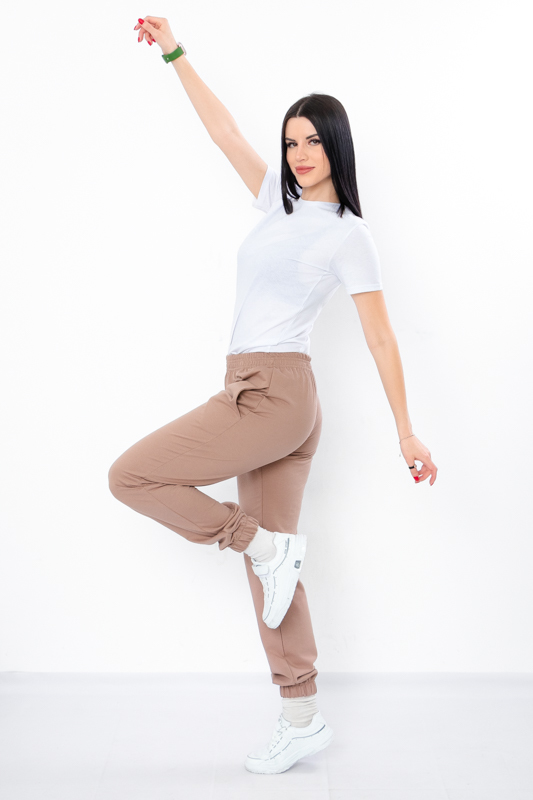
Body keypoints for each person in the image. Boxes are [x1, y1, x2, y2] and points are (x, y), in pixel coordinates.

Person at [108, 16, 439, 775]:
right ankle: (301, 715)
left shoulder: (349, 234)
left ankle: (261, 544)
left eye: (312, 141)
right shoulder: (276, 203)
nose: (299, 154)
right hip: (254, 389)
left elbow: (381, 338)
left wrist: (405, 431)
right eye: (290, 143)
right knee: (273, 570)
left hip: (276, 395)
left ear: (337, 147)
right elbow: (223, 130)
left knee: (131, 475)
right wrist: (174, 52)